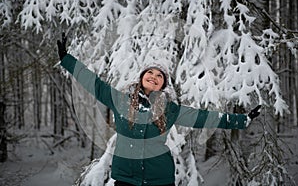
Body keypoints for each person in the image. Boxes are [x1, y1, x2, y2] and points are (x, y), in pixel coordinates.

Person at [57, 33, 261, 186]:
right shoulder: (120, 100)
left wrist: (241, 120)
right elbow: (93, 83)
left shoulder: (169, 110)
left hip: (159, 179)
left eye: (159, 76)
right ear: (142, 76)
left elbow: (204, 117)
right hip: (125, 178)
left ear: (163, 85)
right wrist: (67, 59)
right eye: (150, 72)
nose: (153, 77)